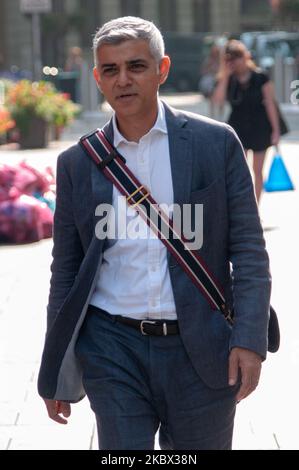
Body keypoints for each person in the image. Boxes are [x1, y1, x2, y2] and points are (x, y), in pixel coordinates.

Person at [38, 17, 271, 450]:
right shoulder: (77, 162)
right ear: (97, 79)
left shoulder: (215, 144)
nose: (123, 80)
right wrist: (56, 365)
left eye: (136, 66)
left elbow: (250, 250)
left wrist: (250, 340)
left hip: (201, 347)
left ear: (162, 69)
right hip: (112, 347)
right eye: (110, 70)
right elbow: (65, 272)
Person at [212, 39, 282, 204]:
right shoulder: (228, 79)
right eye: (231, 59)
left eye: (238, 56)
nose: (236, 61)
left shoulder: (261, 77)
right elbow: (218, 100)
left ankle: (256, 208)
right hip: (238, 128)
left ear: (246, 56)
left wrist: (276, 130)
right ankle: (242, 206)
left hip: (260, 127)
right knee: (239, 171)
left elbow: (270, 103)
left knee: (257, 171)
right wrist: (225, 76)